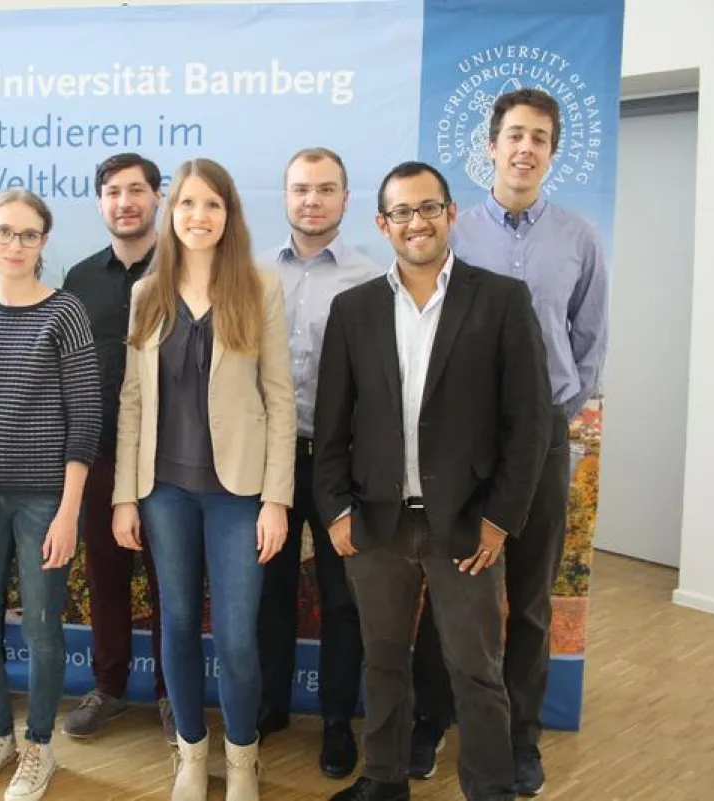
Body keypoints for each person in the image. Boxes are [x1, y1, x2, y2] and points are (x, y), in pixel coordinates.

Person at [314, 161, 551, 801]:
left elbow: (527, 423)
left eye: (427, 208)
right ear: (382, 223)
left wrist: (500, 519)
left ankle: (489, 788)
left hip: (467, 525)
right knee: (384, 661)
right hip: (379, 523)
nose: (414, 222)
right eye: (401, 212)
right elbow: (331, 424)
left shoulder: (500, 300)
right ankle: (385, 780)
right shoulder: (354, 309)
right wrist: (336, 509)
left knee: (475, 670)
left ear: (449, 213)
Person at [409, 89, 609, 797]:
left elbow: (589, 341)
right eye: (515, 135)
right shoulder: (454, 233)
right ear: (491, 145)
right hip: (462, 441)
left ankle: (522, 737)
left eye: (541, 138)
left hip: (545, 439)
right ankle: (432, 716)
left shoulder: (579, 237)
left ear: (551, 152)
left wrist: (553, 412)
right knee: (449, 589)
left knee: (527, 595)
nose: (526, 148)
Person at [113, 157, 297, 801]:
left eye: (212, 204)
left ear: (229, 214)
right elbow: (131, 400)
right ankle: (191, 753)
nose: (199, 216)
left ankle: (242, 758)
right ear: (171, 211)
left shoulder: (259, 286)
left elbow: (280, 398)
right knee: (180, 624)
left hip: (239, 495)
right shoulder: (147, 293)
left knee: (239, 636)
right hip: (164, 492)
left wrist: (276, 499)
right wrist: (124, 497)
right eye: (188, 203)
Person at [0, 189, 101, 801]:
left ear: (43, 243)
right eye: (4, 232)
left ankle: (38, 747)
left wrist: (68, 511)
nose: (14, 245)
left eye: (28, 235)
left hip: (42, 502)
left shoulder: (65, 313)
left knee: (41, 629)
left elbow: (86, 416)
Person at [255, 147, 379, 778]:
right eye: (301, 188)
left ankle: (336, 723)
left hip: (339, 464)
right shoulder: (253, 274)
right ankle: (271, 706)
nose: (311, 200)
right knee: (268, 593)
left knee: (342, 600)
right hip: (269, 462)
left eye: (325, 189)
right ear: (285, 196)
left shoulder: (369, 279)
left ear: (345, 199)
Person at [61, 152, 172, 743]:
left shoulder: (184, 270)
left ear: (158, 197)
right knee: (105, 576)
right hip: (101, 454)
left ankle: (169, 694)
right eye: (112, 191)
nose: (125, 201)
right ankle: (107, 688)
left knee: (169, 580)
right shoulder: (79, 279)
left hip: (169, 457)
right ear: (101, 202)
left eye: (136, 190)